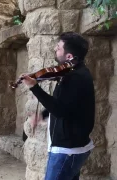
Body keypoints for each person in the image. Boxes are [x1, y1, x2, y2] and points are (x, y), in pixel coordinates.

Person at [21, 32, 95, 180]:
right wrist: (42, 115)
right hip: (70, 149)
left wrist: (34, 87)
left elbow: (60, 110)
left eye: (59, 47)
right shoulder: (72, 74)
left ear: (69, 56)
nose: (55, 49)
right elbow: (66, 105)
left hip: (67, 150)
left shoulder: (76, 77)